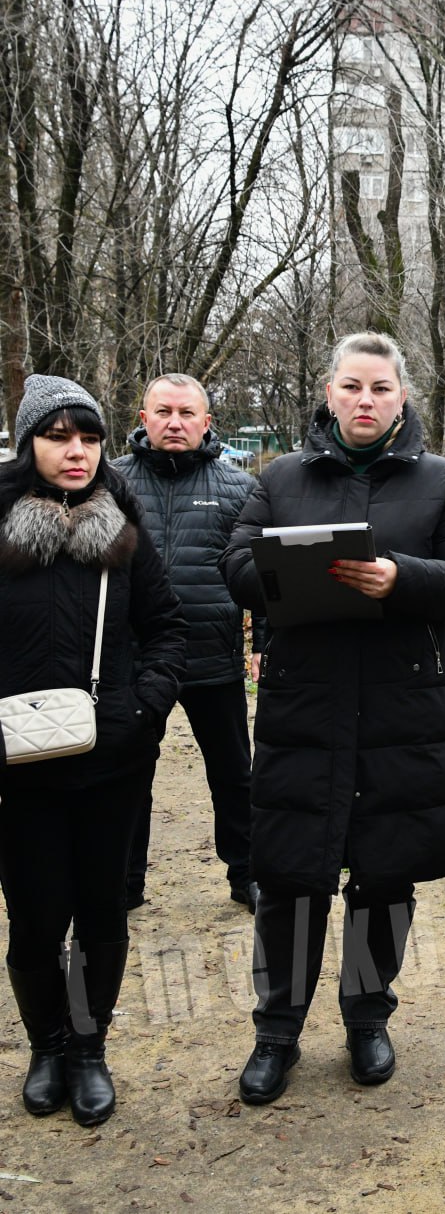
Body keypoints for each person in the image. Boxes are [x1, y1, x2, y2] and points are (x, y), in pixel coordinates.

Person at [220, 332, 445, 1104]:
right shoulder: (281, 477)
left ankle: (368, 1017)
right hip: (307, 703)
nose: (364, 401)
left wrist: (397, 577)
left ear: (402, 397)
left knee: (385, 874)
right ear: (328, 393)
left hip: (404, 707)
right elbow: (235, 564)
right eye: (351, 387)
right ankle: (277, 1032)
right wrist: (288, 574)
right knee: (292, 875)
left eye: (380, 388)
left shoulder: (442, 481)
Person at [0, 375, 186, 1126]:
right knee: (36, 919)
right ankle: (47, 1046)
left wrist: (143, 709)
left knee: (103, 911)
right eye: (58, 436)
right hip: (18, 765)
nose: (76, 452)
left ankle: (88, 1047)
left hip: (111, 761)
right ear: (27, 444)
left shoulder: (123, 526)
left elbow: (168, 628)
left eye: (89, 437)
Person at [114, 373, 263, 913]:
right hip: (131, 659)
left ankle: (247, 875)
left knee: (233, 775)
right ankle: (123, 884)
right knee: (127, 774)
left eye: (186, 414)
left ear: (206, 422)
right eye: (163, 412)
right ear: (143, 418)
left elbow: (262, 574)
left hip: (211, 652)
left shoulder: (239, 488)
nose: (174, 423)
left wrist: (262, 641)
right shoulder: (110, 484)